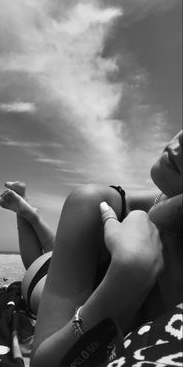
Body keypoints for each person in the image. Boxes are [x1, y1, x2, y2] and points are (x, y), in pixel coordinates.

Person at [28, 130, 182, 367]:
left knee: (53, 251)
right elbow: (43, 362)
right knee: (34, 264)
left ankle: (32, 217)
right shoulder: (95, 203)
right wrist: (126, 278)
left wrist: (167, 216)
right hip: (39, 276)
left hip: (71, 261)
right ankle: (28, 216)